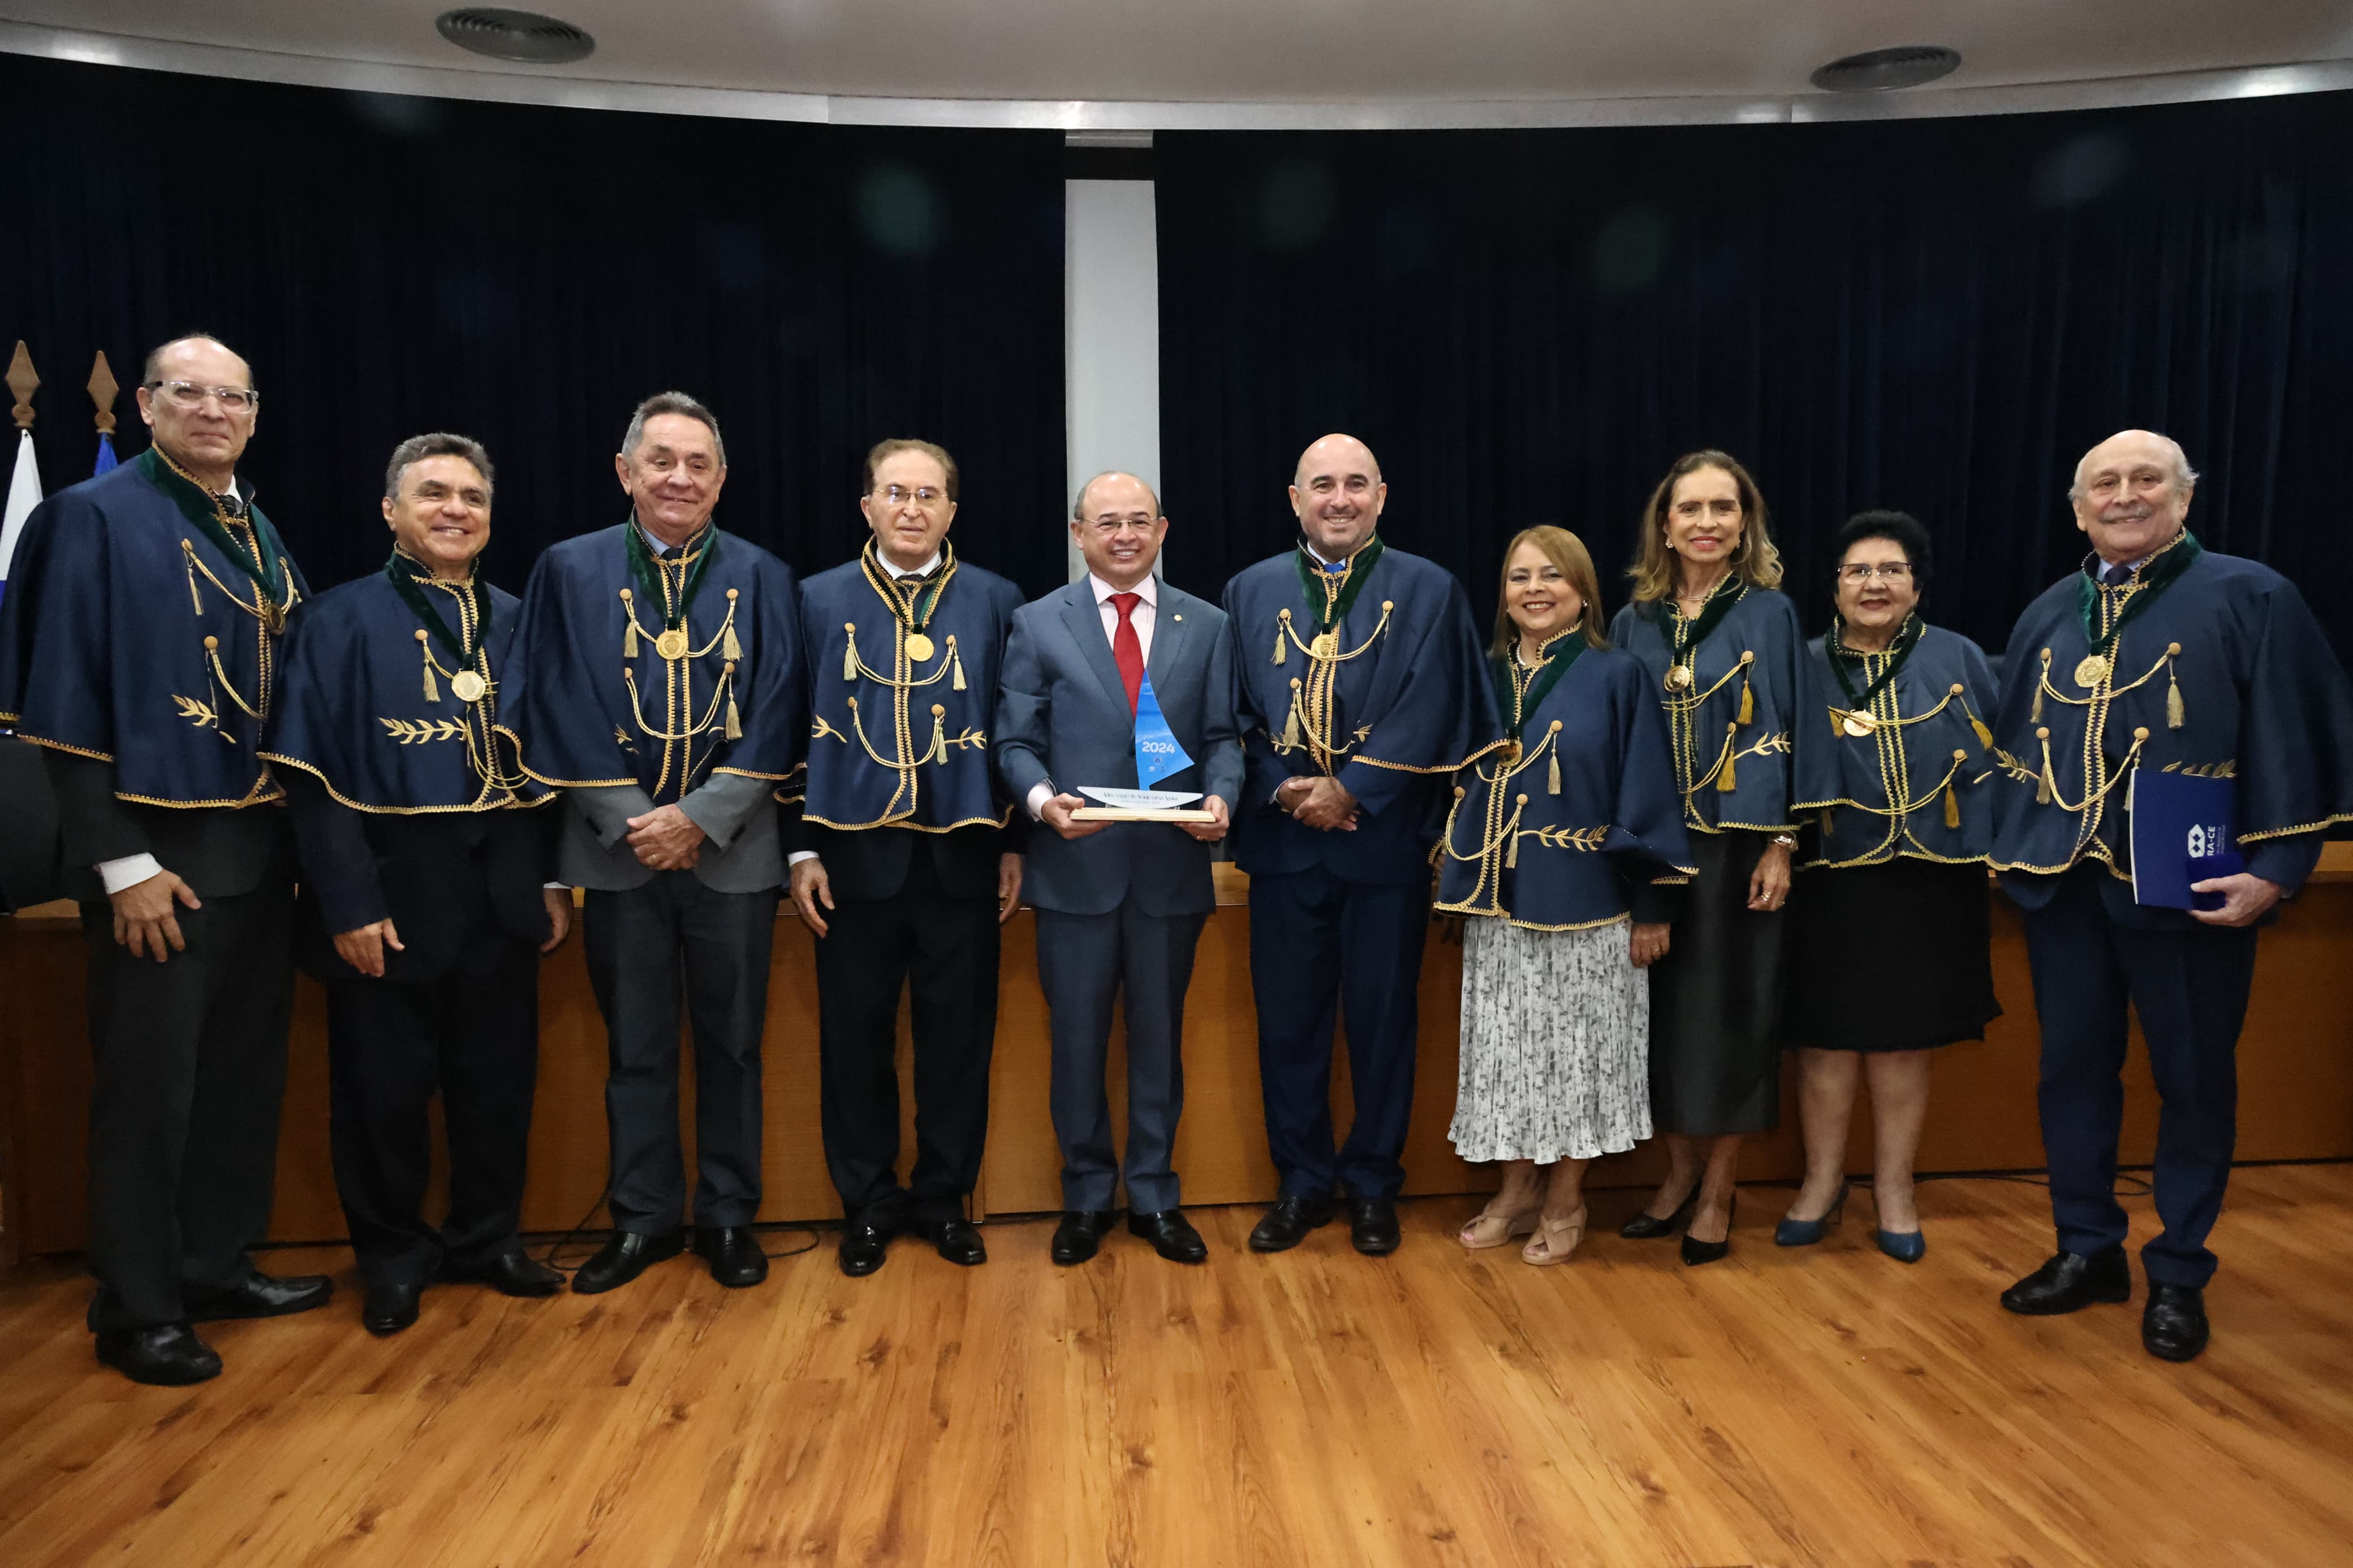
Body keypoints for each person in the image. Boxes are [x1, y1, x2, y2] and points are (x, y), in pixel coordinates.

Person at [0, 334, 327, 1384]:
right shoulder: (90, 517)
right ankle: (136, 1306)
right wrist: (120, 863)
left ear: (255, 415)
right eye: (189, 392)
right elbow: (61, 705)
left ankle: (212, 1266)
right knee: (150, 1095)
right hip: (159, 865)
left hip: (256, 854)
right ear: (146, 405)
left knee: (236, 1081)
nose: (213, 411)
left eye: (233, 396)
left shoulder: (254, 526)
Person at [1988, 430, 2353, 1362]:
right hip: (2068, 889)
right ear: (2079, 511)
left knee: (2194, 1080)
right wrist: (2007, 845)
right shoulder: (2048, 612)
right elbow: (2013, 743)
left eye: (2146, 478)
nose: (2124, 495)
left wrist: (2279, 867)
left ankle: (2181, 1269)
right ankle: (2087, 1248)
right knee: (2072, 1073)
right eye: (2104, 484)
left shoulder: (2253, 595)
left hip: (2192, 890)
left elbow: (2297, 734)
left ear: (2184, 497)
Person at [262, 434, 574, 1334]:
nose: (454, 510)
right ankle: (393, 1257)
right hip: (388, 892)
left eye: (472, 497)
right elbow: (312, 781)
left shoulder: (519, 620)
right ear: (390, 510)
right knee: (382, 1096)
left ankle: (487, 1238)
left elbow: (555, 767)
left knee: (497, 1085)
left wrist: (552, 879)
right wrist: (348, 902)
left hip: (503, 894)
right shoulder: (336, 621)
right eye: (434, 493)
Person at [503, 393, 805, 1295]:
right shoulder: (569, 569)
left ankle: (728, 1217)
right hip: (618, 853)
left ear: (722, 479)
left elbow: (782, 708)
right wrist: (636, 819)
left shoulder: (764, 574)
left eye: (698, 464)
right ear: (626, 471)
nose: (680, 478)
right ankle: (642, 1221)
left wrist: (702, 817)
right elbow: (554, 699)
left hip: (733, 852)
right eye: (662, 461)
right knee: (635, 1048)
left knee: (734, 1047)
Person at [1221, 434, 1498, 1256]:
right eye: (1322, 485)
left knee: (1383, 1026)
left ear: (1381, 496)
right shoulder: (1249, 589)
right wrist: (1284, 788)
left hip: (1384, 849)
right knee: (1288, 1026)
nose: (1338, 499)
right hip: (1284, 849)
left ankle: (1375, 1184)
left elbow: (1435, 703)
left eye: (1354, 484)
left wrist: (1354, 788)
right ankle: (1302, 1182)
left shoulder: (1430, 589)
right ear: (1294, 498)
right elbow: (1229, 712)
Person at [787, 439, 1027, 1277]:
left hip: (964, 861)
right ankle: (868, 1205)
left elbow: (1017, 731)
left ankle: (943, 1201)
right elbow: (790, 726)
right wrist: (801, 846)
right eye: (896, 493)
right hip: (853, 864)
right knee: (855, 1045)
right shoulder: (817, 598)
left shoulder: (997, 599)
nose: (913, 509)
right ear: (868, 507)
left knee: (957, 1046)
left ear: (952, 510)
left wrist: (1013, 842)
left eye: (929, 495)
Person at [994, 472, 1244, 1265]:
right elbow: (1015, 742)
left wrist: (1224, 797)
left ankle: (1155, 1195)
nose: (1125, 535)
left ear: (1163, 530)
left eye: (1140, 521)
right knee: (1077, 1045)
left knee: (1159, 1045)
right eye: (1108, 522)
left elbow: (1224, 736)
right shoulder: (1038, 623)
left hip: (1170, 870)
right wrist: (1043, 805)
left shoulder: (1209, 624)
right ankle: (1086, 1197)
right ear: (1079, 534)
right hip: (1075, 871)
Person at [1437, 526, 1691, 1265]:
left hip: (1592, 906)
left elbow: (1649, 791)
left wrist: (1654, 907)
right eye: (1520, 577)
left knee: (1580, 1060)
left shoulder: (1619, 675)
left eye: (1552, 575)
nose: (1535, 589)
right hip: (1499, 903)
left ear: (1583, 591)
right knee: (1509, 1057)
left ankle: (1565, 1198)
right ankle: (1517, 1191)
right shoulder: (1484, 675)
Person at [1609, 450, 1833, 1265]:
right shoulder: (1633, 622)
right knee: (1657, 1022)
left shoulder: (1769, 615)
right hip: (1647, 851)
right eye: (1691, 508)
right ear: (1665, 525)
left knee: (1734, 1018)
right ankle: (1676, 1174)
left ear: (1745, 525)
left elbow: (1799, 727)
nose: (1707, 522)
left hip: (1738, 850)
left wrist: (1783, 843)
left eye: (1723, 508)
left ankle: (1719, 1188)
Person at [1778, 511, 2001, 1263]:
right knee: (1825, 1039)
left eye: (1892, 570)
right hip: (1828, 879)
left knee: (1905, 1041)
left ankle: (1895, 1188)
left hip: (1930, 878)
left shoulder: (1959, 656)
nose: (1875, 584)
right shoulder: (1802, 664)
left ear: (1917, 585)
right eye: (1859, 571)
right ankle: (1821, 1182)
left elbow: (2002, 760)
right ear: (1835, 586)